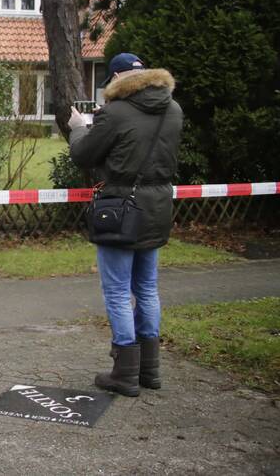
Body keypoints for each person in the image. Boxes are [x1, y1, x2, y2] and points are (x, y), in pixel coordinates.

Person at [68, 53, 183, 397]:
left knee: (117, 290)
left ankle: (125, 372)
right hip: (158, 207)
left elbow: (84, 155)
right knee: (146, 288)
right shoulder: (173, 110)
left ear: (117, 77)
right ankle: (150, 370)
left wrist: (78, 129)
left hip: (121, 208)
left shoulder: (116, 112)